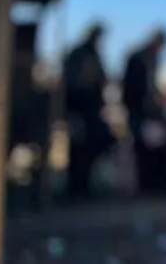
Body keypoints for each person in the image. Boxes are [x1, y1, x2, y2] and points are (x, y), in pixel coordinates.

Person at [62, 22, 113, 200]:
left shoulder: (86, 53)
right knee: (81, 150)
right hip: (82, 109)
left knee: (88, 148)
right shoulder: (82, 54)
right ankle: (77, 187)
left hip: (88, 109)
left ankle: (82, 186)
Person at [121, 28, 166, 195]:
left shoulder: (147, 58)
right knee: (143, 148)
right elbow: (137, 89)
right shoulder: (140, 59)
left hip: (144, 111)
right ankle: (147, 185)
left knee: (150, 147)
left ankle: (151, 183)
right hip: (139, 111)